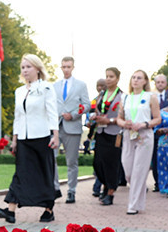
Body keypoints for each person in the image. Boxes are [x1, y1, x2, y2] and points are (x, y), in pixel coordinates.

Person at [0, 54, 59, 223]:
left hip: (42, 137)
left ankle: (49, 210)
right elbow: (18, 117)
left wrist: (55, 135)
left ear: (37, 69)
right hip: (23, 139)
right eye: (23, 67)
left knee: (45, 173)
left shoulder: (46, 87)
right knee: (20, 174)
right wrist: (14, 140)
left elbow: (52, 112)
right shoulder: (19, 91)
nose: (25, 70)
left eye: (28, 67)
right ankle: (10, 211)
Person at [116, 70, 160, 214]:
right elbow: (119, 118)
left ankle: (133, 205)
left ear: (145, 81)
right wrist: (124, 123)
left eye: (139, 78)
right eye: (133, 77)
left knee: (139, 170)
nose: (135, 80)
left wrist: (144, 124)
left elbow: (157, 118)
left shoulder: (150, 97)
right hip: (129, 134)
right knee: (128, 170)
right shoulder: (125, 98)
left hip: (144, 135)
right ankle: (139, 192)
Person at [53, 56, 90, 204]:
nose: (66, 69)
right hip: (56, 127)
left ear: (73, 67)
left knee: (71, 161)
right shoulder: (54, 86)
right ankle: (55, 188)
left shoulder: (80, 85)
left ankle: (71, 191)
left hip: (72, 126)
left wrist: (74, 114)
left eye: (68, 67)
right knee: (51, 159)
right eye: (64, 67)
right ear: (61, 67)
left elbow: (86, 105)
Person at [93, 67, 124, 206]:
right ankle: (106, 185)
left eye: (111, 76)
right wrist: (95, 117)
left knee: (111, 163)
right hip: (101, 131)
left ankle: (110, 192)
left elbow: (123, 117)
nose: (108, 79)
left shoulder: (122, 96)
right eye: (107, 76)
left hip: (114, 132)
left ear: (117, 78)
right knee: (98, 163)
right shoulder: (102, 94)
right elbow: (97, 109)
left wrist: (109, 120)